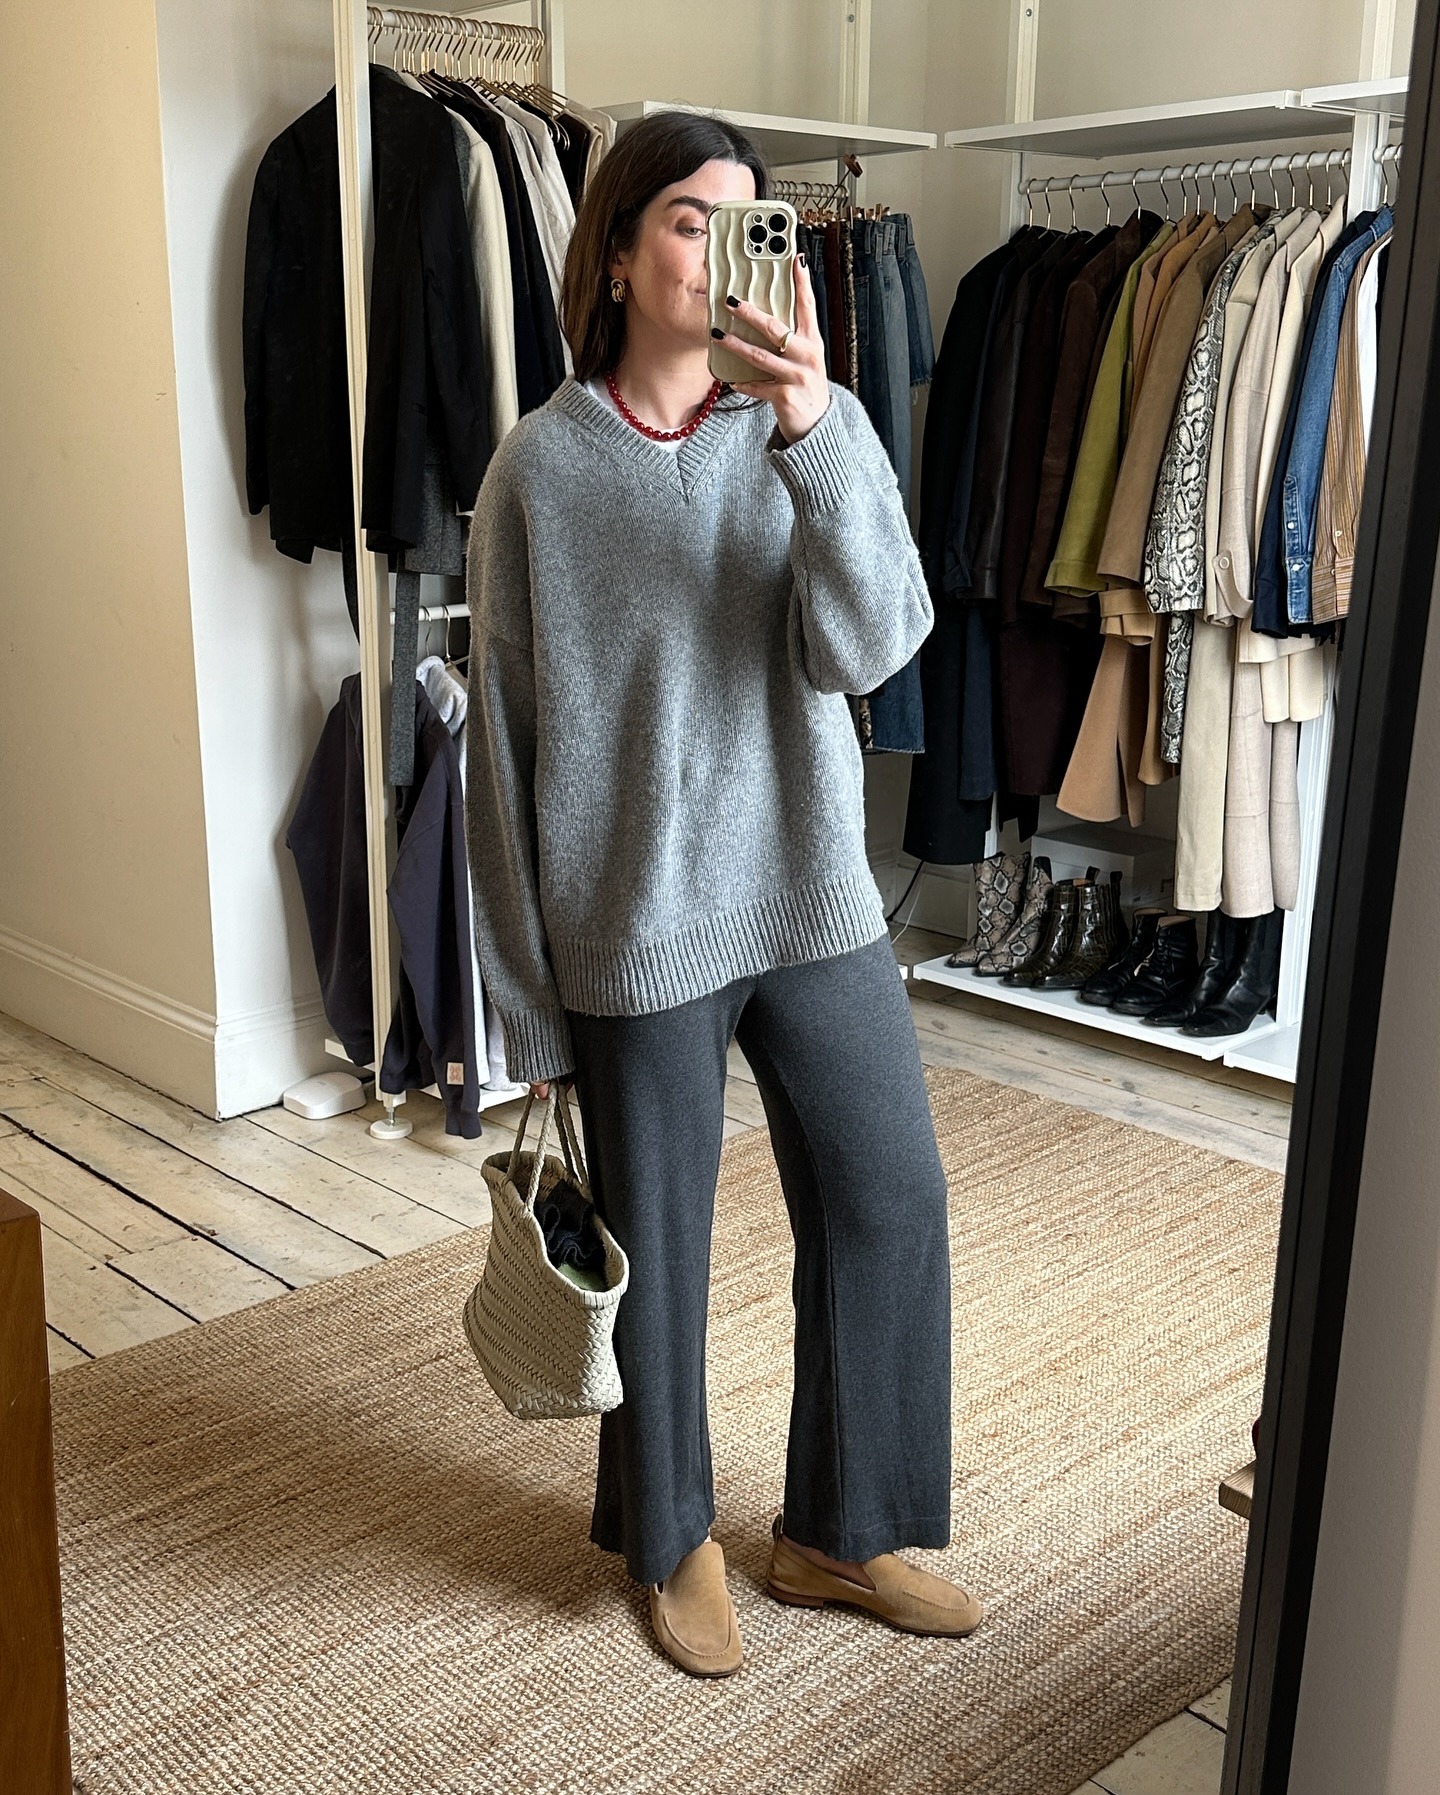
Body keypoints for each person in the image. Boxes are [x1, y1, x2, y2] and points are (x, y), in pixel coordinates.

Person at [464, 109, 983, 1677]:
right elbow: (496, 742)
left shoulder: (808, 424)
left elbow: (878, 644)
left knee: (890, 1194)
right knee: (661, 1252)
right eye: (687, 221)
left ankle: (838, 1530)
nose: (718, 250)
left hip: (815, 892)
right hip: (633, 927)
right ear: (617, 253)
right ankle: (670, 1533)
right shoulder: (539, 471)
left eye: (747, 224)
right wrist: (519, 992)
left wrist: (818, 431)